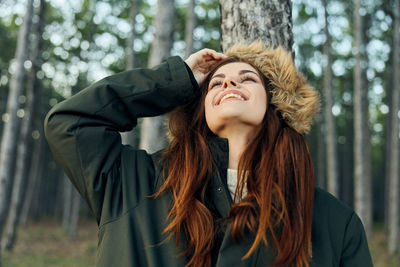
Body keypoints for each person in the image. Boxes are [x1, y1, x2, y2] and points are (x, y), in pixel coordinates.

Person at [44, 41, 373, 267]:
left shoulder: (332, 221)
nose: (230, 84)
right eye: (216, 84)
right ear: (199, 109)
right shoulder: (135, 180)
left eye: (247, 79)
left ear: (274, 105)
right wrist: (179, 79)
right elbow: (70, 122)